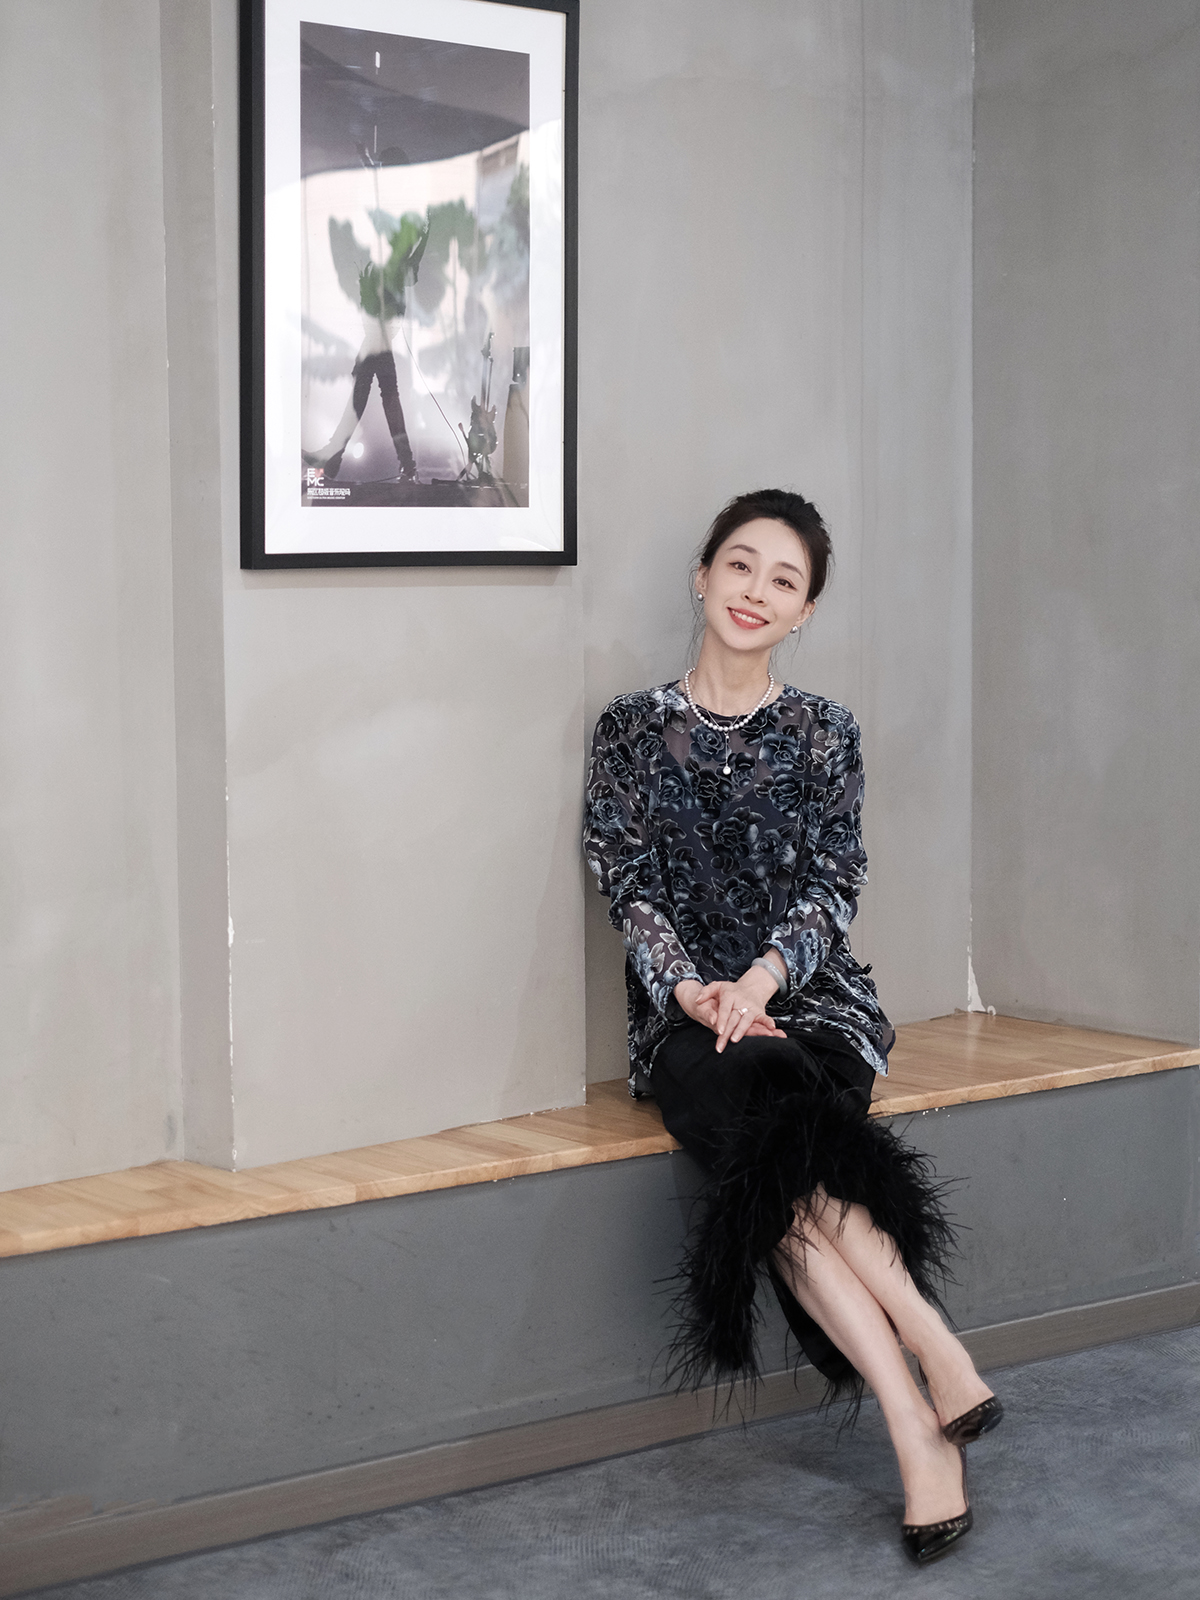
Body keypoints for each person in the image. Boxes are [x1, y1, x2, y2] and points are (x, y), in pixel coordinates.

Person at [583, 489, 1003, 1565]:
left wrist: (763, 981)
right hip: (684, 1014)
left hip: (811, 999)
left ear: (805, 609)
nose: (756, 592)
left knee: (775, 1138)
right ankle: (929, 1363)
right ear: (702, 577)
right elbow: (628, 884)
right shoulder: (628, 729)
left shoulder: (827, 732)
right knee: (763, 1115)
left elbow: (833, 885)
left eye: (784, 580)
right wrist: (694, 991)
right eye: (740, 565)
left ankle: (916, 1424)